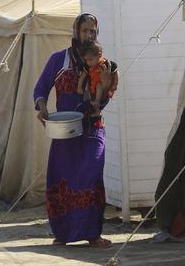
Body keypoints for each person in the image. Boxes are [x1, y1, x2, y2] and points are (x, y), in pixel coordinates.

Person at [34, 13, 116, 248]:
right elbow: (40, 88)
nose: (88, 35)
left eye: (92, 31)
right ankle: (63, 234)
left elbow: (106, 97)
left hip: (92, 129)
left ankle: (93, 234)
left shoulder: (101, 63)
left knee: (91, 175)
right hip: (65, 131)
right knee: (61, 179)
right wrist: (42, 108)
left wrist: (105, 89)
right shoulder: (59, 59)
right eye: (84, 31)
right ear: (75, 32)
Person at [76, 41, 118, 117]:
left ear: (99, 55)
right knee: (94, 94)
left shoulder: (106, 64)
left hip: (104, 88)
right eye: (86, 60)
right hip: (93, 88)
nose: (88, 63)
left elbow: (116, 72)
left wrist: (115, 84)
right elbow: (83, 76)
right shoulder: (88, 67)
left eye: (90, 60)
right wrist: (79, 87)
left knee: (100, 86)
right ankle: (96, 110)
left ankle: (98, 105)